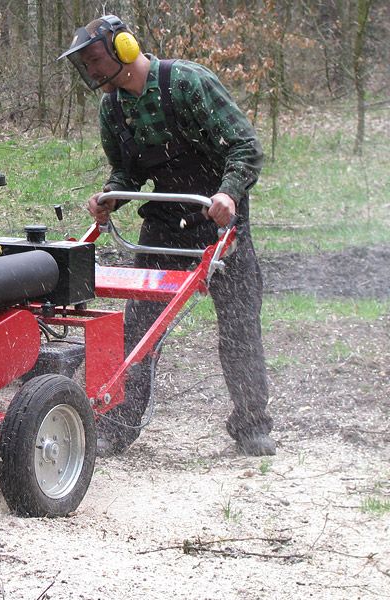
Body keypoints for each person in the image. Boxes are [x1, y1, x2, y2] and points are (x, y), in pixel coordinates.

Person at [58, 15, 276, 456]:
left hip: (218, 218)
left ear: (124, 48)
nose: (92, 72)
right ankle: (119, 424)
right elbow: (128, 171)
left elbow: (245, 147)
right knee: (139, 328)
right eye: (85, 65)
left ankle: (251, 424)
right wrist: (111, 197)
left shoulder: (187, 84)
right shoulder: (113, 107)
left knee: (239, 325)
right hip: (165, 222)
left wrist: (228, 194)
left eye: (95, 60)